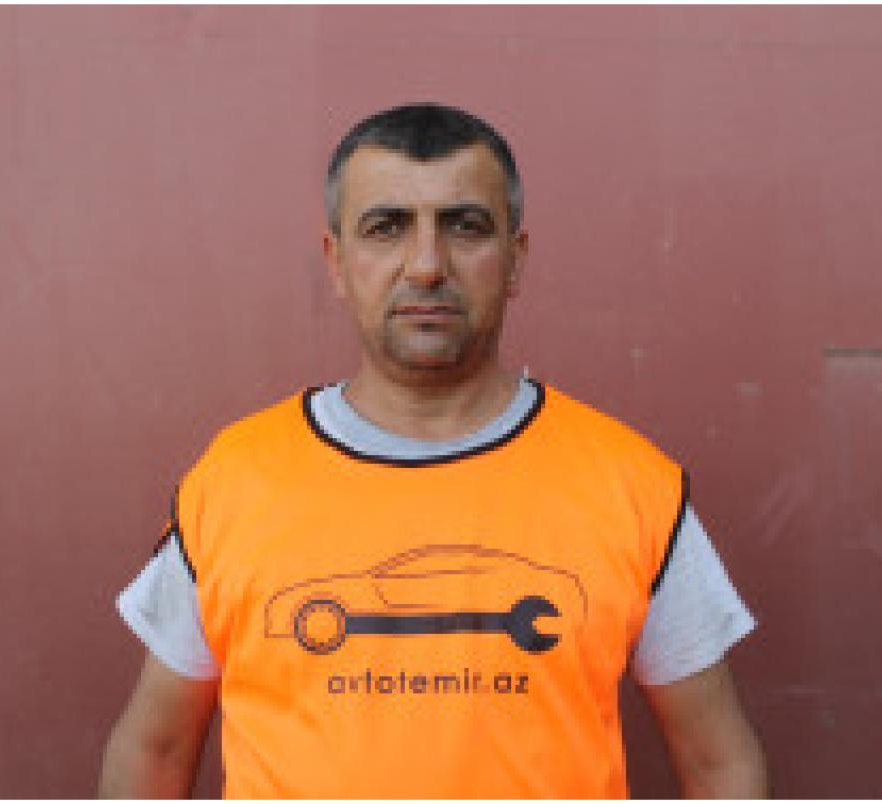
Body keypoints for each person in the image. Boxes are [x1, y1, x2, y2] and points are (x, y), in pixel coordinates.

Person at [98, 103, 768, 799]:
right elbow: (155, 751)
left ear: (515, 259)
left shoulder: (630, 484)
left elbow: (719, 762)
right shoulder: (233, 481)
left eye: (465, 226)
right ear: (336, 262)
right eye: (386, 228)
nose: (425, 266)